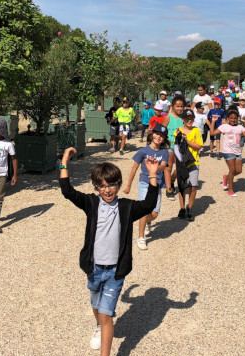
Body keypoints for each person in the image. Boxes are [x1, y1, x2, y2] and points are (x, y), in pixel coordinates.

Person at [59, 147, 159, 355]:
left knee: (106, 315)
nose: (107, 190)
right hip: (94, 268)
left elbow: (149, 203)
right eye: (102, 186)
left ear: (119, 185)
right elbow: (67, 191)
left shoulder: (127, 207)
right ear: (96, 187)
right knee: (96, 306)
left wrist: (151, 174)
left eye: (112, 185)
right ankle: (98, 326)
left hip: (116, 271)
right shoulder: (91, 203)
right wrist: (65, 161)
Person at [124, 124, 169, 250]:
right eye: (157, 134)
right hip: (144, 183)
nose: (158, 137)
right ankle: (141, 237)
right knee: (144, 210)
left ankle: (148, 221)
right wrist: (128, 185)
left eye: (162, 136)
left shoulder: (164, 152)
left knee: (154, 214)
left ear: (164, 139)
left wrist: (155, 167)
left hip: (157, 184)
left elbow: (164, 166)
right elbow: (134, 169)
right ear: (152, 134)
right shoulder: (143, 151)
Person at [209, 109, 245, 196]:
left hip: (237, 151)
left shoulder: (240, 127)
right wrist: (213, 122)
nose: (233, 120)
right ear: (227, 118)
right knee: (232, 170)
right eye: (231, 118)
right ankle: (230, 190)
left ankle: (226, 178)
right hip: (227, 151)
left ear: (237, 119)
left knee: (239, 170)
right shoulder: (224, 126)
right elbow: (212, 133)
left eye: (235, 118)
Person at [174, 108, 203, 221]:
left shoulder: (196, 131)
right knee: (182, 186)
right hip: (181, 162)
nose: (189, 121)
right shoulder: (178, 130)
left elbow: (199, 146)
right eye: (187, 118)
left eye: (191, 119)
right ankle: (182, 208)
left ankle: (190, 208)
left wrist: (187, 141)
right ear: (183, 119)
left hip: (194, 162)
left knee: (193, 185)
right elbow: (175, 146)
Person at [163, 95, 185, 199]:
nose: (180, 108)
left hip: (182, 146)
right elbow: (162, 131)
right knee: (169, 166)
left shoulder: (185, 118)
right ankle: (169, 189)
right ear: (173, 106)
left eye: (181, 106)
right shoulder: (168, 117)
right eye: (177, 106)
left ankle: (172, 180)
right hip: (169, 145)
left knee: (180, 167)